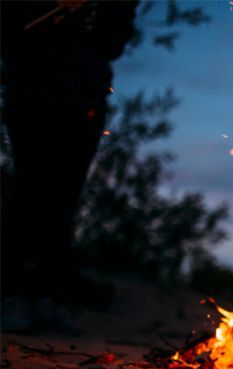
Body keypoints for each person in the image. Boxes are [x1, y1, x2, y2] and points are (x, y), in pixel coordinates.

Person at [1, 0, 138, 332]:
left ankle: (47, 296)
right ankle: (12, 295)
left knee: (65, 202)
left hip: (85, 105)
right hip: (33, 96)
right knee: (30, 192)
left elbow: (111, 45)